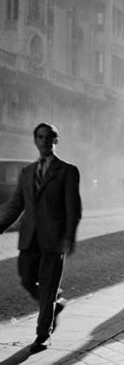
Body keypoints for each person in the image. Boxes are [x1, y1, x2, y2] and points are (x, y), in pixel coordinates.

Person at [0, 123, 82, 352]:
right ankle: (55, 305)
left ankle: (42, 335)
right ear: (35, 140)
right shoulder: (27, 172)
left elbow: (73, 208)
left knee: (47, 287)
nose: (45, 141)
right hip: (29, 239)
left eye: (50, 137)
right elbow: (16, 204)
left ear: (56, 141)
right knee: (27, 279)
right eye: (41, 137)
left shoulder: (67, 171)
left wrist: (69, 238)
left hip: (54, 240)